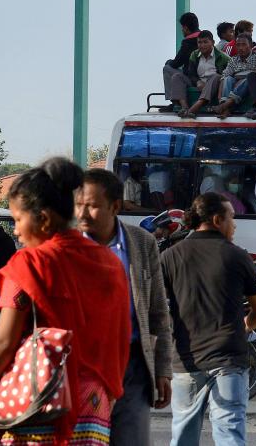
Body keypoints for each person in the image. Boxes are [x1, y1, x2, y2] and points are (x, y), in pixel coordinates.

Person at [0, 158, 130, 445]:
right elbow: (119, 338)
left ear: (44, 218)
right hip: (94, 404)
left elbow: (2, 344)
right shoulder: (110, 263)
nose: (15, 231)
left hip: (39, 400)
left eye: (18, 219)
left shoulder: (30, 263)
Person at [160, 193, 256, 446]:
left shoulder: (170, 256)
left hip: (186, 361)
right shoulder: (238, 256)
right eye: (232, 217)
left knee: (183, 435)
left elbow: (156, 308)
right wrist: (245, 326)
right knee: (230, 433)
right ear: (217, 219)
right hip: (229, 359)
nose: (235, 224)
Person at [75, 169, 173, 446]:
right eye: (78, 204)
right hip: (81, 368)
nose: (82, 213)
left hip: (132, 366)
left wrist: (163, 368)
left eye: (92, 206)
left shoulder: (142, 243)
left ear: (115, 206)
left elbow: (157, 311)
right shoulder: (65, 248)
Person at [170, 30, 230, 118]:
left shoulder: (223, 57)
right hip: (198, 83)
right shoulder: (194, 54)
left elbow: (225, 76)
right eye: (199, 42)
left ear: (212, 42)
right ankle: (184, 107)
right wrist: (198, 81)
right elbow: (191, 74)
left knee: (217, 76)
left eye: (205, 42)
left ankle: (195, 107)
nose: (202, 45)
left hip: (214, 85)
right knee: (177, 76)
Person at [214, 33, 256, 118]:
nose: (240, 48)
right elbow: (224, 76)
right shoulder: (233, 59)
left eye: (244, 45)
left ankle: (226, 106)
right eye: (238, 45)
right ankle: (225, 107)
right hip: (235, 87)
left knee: (248, 78)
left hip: (250, 86)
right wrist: (220, 98)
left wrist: (241, 79)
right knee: (227, 79)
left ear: (250, 45)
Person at [162, 12, 201, 113]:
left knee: (167, 67)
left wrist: (169, 62)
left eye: (182, 27)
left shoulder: (188, 42)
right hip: (204, 76)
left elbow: (176, 63)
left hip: (193, 78)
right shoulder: (205, 38)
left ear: (186, 28)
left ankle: (174, 101)